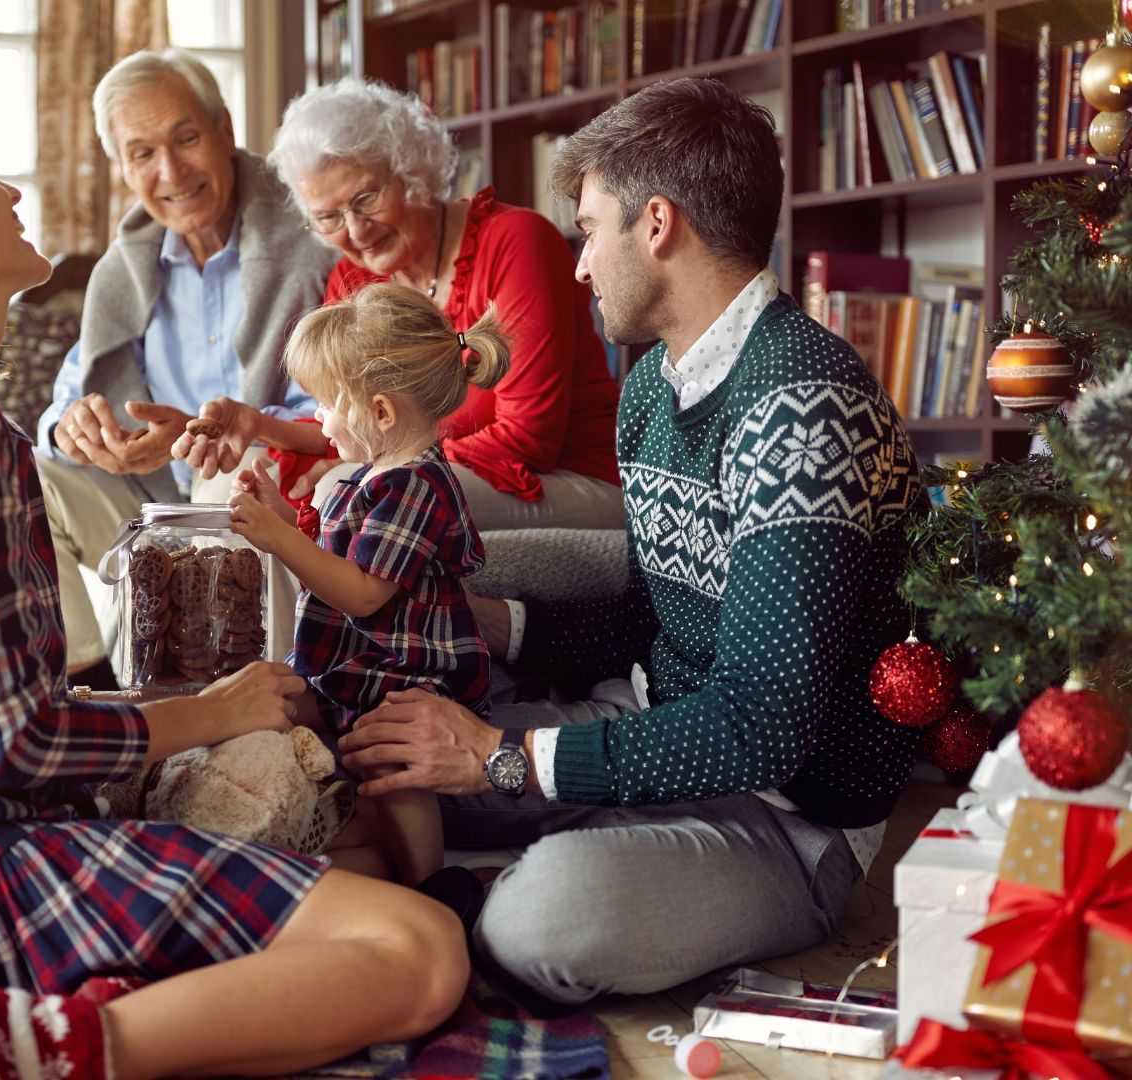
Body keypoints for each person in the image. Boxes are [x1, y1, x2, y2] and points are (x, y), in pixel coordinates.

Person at [0, 113, 466, 1076]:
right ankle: (28, 1047)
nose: (10, 191)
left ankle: (76, 1015)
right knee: (419, 951)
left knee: (351, 885)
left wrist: (184, 711)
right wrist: (215, 711)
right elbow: (20, 741)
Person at [335, 78, 928, 1004]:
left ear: (657, 225)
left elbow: (762, 729)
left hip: (786, 818)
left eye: (588, 229)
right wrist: (493, 623)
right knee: (383, 773)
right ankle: (486, 890)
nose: (577, 266)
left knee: (542, 919)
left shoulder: (804, 404)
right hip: (646, 721)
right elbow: (653, 615)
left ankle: (492, 903)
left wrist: (498, 755)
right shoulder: (653, 386)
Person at [172, 78, 623, 533]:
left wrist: (362, 473)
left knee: (345, 495)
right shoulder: (353, 280)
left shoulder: (516, 242)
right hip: (433, 469)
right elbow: (351, 423)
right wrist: (256, 424)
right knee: (239, 480)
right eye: (329, 217)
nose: (356, 229)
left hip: (563, 481)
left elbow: (526, 441)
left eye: (366, 198)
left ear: (412, 170)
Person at [33, 49, 339, 686]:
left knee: (234, 479)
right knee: (22, 479)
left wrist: (227, 432)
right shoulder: (126, 267)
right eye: (142, 153)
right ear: (122, 167)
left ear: (225, 130)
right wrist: (72, 425)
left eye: (186, 138)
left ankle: (243, 698)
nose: (170, 170)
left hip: (257, 484)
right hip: (149, 500)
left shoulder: (310, 237)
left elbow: (345, 404)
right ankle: (93, 692)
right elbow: (72, 392)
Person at [227, 282, 509, 887]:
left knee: (391, 759)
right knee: (277, 703)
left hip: (404, 672)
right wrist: (284, 518)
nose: (318, 421)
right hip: (355, 662)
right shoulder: (371, 476)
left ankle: (431, 884)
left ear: (381, 412)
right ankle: (343, 840)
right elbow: (338, 551)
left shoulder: (415, 484)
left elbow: (362, 592)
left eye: (326, 404)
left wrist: (282, 542)